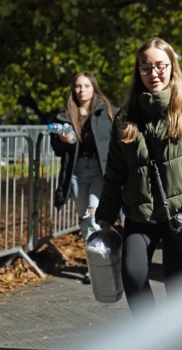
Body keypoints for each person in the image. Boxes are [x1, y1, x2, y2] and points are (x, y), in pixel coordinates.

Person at [94, 37, 182, 313]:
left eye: (160, 66)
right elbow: (115, 170)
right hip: (140, 213)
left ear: (172, 66)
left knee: (177, 286)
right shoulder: (126, 116)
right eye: (145, 67)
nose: (153, 74)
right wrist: (106, 211)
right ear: (137, 71)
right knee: (133, 275)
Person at [50, 72, 117, 245]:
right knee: (84, 218)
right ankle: (93, 260)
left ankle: (104, 257)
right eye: (78, 86)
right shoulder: (65, 115)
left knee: (94, 215)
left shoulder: (107, 111)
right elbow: (57, 150)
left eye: (86, 86)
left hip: (99, 170)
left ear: (94, 88)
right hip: (76, 171)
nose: (82, 90)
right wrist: (61, 140)